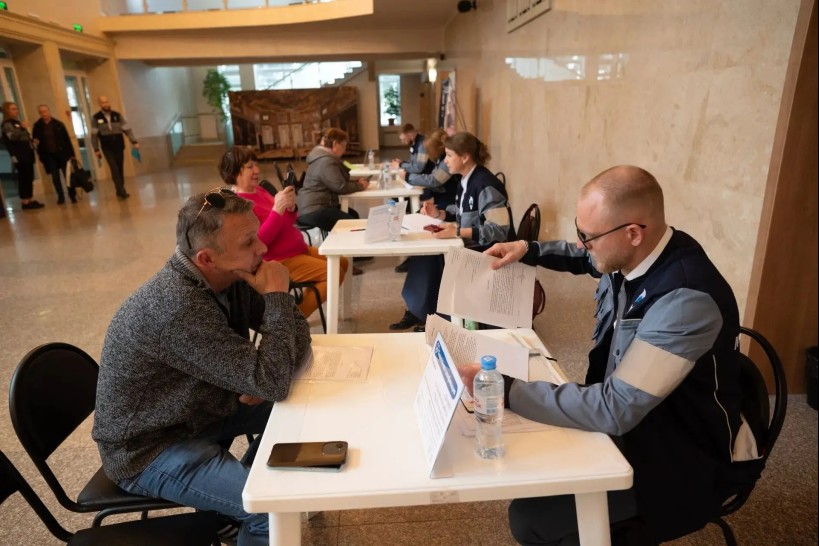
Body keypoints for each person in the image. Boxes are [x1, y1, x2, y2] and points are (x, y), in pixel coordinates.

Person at [462, 165, 748, 544]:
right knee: (529, 462)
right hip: (639, 422)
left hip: (677, 459)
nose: (582, 244)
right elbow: (583, 258)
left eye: (589, 236)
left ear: (633, 233)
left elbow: (615, 409)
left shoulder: (684, 300)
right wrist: (529, 250)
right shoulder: (639, 252)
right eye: (579, 231)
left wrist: (505, 389)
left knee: (530, 519)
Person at [92, 188, 313, 546]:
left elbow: (294, 339)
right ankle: (242, 504)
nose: (262, 248)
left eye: (256, 234)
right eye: (248, 242)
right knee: (267, 509)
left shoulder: (230, 274)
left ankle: (231, 501)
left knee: (301, 410)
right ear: (206, 258)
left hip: (200, 412)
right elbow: (272, 377)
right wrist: (276, 300)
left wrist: (262, 375)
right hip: (149, 447)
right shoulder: (178, 307)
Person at [389, 131, 513, 331]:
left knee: (431, 257)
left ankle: (430, 315)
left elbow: (499, 231)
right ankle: (423, 312)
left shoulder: (486, 184)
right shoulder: (466, 179)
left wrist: (457, 232)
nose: (445, 161)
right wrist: (440, 213)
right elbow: (464, 211)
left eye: (449, 155)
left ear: (465, 157)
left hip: (488, 252)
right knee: (425, 253)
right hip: (473, 244)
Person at [220, 146, 351, 320]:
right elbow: (259, 242)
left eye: (256, 165)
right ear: (235, 172)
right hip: (279, 259)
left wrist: (290, 208)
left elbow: (286, 221)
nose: (257, 170)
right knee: (334, 273)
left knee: (342, 262)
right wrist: (277, 209)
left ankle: (297, 310)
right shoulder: (238, 204)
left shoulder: (259, 190)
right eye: (250, 167)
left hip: (297, 249)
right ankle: (294, 320)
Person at [393, 129, 460, 274]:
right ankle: (415, 258)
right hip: (444, 200)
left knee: (421, 220)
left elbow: (435, 180)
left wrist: (409, 177)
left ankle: (418, 258)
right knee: (417, 215)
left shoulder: (445, 161)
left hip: (449, 204)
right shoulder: (442, 159)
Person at [296, 127, 369, 232]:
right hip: (314, 210)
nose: (344, 149)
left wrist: (355, 182)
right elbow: (340, 186)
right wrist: (361, 186)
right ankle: (345, 242)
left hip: (315, 205)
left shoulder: (322, 157)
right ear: (335, 144)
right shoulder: (326, 161)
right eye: (343, 145)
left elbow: (335, 180)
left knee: (353, 214)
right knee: (353, 224)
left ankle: (346, 241)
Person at [90, 95, 139, 200]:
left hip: (118, 145)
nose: (106, 104)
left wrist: (134, 141)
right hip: (107, 147)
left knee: (119, 167)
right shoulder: (96, 117)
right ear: (100, 104)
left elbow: (127, 129)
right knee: (114, 168)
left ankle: (119, 188)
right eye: (103, 102)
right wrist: (96, 149)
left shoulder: (117, 115)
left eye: (107, 102)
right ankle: (121, 191)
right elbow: (94, 135)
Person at [1, 101, 43, 210]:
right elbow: (12, 136)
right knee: (24, 177)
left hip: (27, 154)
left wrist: (32, 141)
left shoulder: (17, 122)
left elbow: (24, 138)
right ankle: (25, 201)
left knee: (29, 177)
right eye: (13, 109)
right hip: (20, 155)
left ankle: (30, 198)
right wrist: (22, 127)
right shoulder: (7, 123)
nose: (16, 111)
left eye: (16, 108)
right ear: (7, 111)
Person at [32, 105, 76, 204]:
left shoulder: (58, 124)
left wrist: (71, 153)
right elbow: (35, 139)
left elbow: (66, 140)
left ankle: (72, 195)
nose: (44, 114)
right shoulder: (37, 126)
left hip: (62, 154)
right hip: (49, 155)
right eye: (41, 112)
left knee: (67, 175)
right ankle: (60, 196)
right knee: (55, 177)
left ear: (49, 111)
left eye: (45, 111)